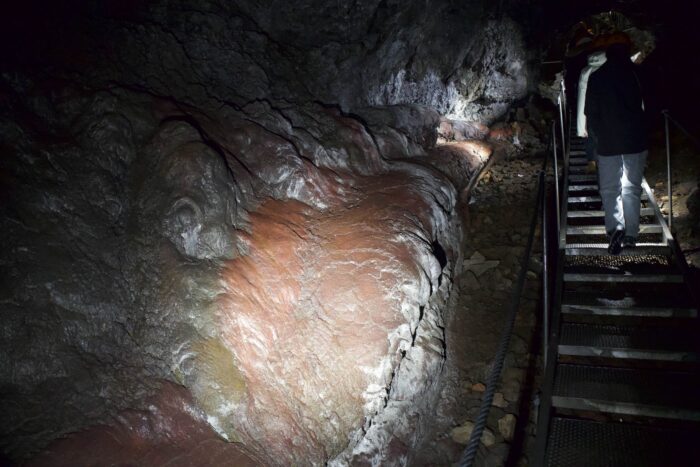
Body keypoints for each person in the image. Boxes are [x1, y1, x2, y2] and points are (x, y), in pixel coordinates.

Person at [585, 33, 647, 255]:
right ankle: (631, 234)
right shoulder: (638, 74)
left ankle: (614, 229)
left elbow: (590, 113)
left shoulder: (597, 76)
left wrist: (598, 136)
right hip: (635, 141)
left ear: (608, 53)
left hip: (608, 143)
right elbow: (652, 104)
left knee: (610, 189)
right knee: (631, 188)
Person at [576, 48, 607, 173]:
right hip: (606, 109)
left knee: (590, 136)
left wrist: (581, 124)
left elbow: (581, 95)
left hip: (589, 110)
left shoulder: (585, 71)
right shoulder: (609, 69)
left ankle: (592, 162)